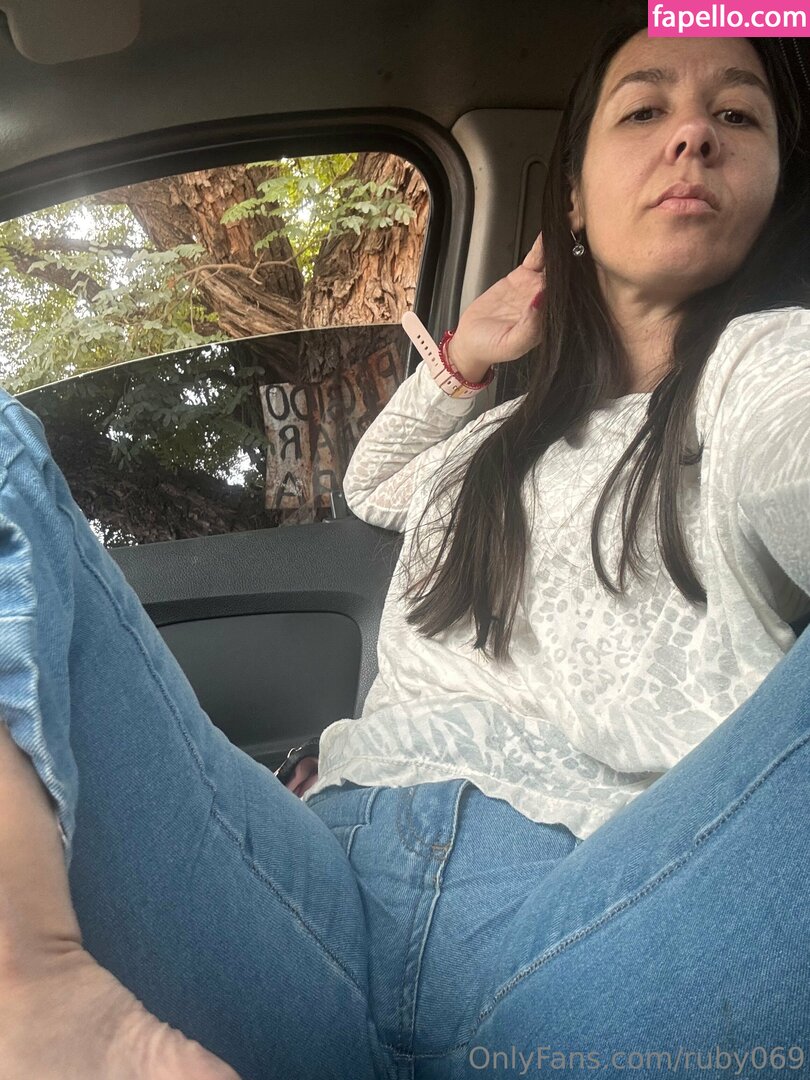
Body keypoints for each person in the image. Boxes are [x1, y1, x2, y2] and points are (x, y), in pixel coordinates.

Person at [0, 21, 808, 1080]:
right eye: (646, 109)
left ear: (777, 184)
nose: (693, 135)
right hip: (315, 891)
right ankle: (32, 987)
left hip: (606, 929)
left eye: (737, 114)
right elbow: (371, 485)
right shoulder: (489, 441)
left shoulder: (764, 369)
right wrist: (468, 353)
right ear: (570, 197)